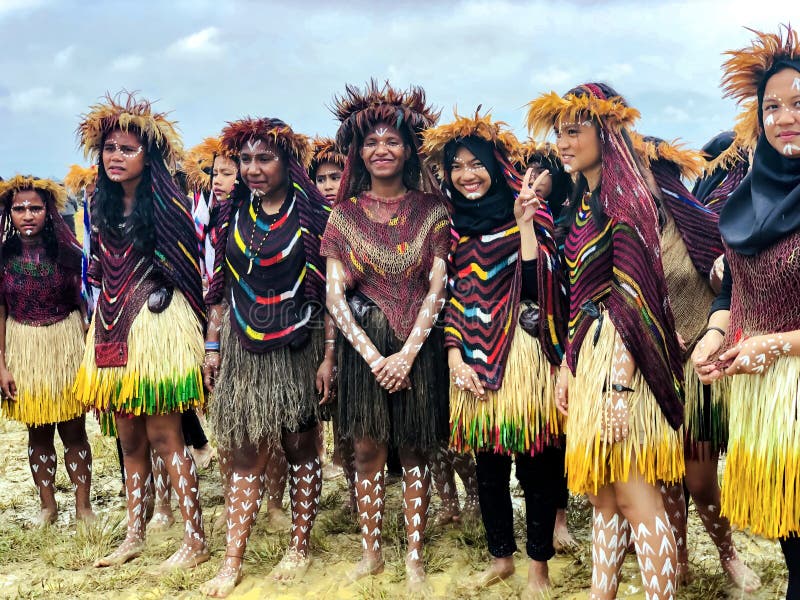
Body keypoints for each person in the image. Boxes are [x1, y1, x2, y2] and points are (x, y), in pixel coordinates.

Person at [527, 83, 685, 599]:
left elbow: (634, 296)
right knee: (602, 495)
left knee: (637, 495)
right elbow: (577, 295)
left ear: (606, 132)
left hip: (625, 365)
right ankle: (602, 592)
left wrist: (618, 387)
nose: (564, 142)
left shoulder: (627, 198)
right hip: (591, 358)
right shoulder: (586, 198)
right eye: (559, 133)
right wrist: (569, 367)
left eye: (574, 131)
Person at [422, 111, 566, 597]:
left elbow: (539, 288)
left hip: (523, 358)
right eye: (457, 166)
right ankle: (500, 556)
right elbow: (455, 298)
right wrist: (454, 358)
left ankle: (538, 568)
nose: (466, 174)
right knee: (488, 469)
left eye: (476, 163)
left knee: (538, 466)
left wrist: (525, 227)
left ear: (495, 165)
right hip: (472, 362)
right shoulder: (454, 227)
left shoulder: (530, 212)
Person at [321, 80, 448, 592]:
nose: (381, 150)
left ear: (409, 148)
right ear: (358, 151)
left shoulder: (433, 211)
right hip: (364, 351)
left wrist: (408, 355)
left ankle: (414, 554)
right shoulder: (343, 216)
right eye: (371, 142)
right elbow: (334, 296)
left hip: (420, 351)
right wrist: (377, 359)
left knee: (417, 448)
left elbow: (438, 286)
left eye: (391, 141)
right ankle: (372, 552)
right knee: (368, 451)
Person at [200, 117, 334, 596]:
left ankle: (299, 545)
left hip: (299, 341)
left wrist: (328, 356)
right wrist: (212, 346)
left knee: (300, 444)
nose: (253, 169)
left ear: (287, 163)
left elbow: (327, 291)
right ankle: (232, 558)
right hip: (241, 342)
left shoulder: (312, 216)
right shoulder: (231, 214)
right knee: (244, 449)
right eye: (246, 160)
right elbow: (220, 286)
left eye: (265, 159)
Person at [75, 92, 207, 571]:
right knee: (128, 439)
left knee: (165, 434)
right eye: (110, 148)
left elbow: (187, 270)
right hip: (109, 328)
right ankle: (135, 533)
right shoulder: (97, 202)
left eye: (127, 149)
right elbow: (97, 269)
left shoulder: (167, 201)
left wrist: (188, 329)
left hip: (155, 327)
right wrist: (94, 320)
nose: (116, 156)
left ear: (147, 155)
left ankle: (195, 538)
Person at [693, 25, 800, 598]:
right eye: (773, 106)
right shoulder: (751, 200)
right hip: (767, 400)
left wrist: (777, 344)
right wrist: (716, 332)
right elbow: (734, 285)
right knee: (792, 533)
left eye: (799, 103)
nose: (785, 117)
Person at [632, 134, 760, 591]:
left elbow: (727, 284)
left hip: (698, 366)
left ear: (662, 173)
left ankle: (728, 554)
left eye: (642, 168)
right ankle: (679, 557)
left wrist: (714, 323)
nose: (633, 178)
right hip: (652, 368)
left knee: (701, 479)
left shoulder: (702, 224)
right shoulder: (627, 228)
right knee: (665, 475)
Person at [0, 175, 94, 525]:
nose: (27, 215)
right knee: (37, 430)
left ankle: (84, 507)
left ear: (48, 211)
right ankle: (48, 506)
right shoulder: (3, 257)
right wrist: (2, 363)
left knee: (74, 431)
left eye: (35, 208)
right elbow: (1, 309)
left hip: (65, 343)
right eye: (19, 208)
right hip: (23, 345)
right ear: (9, 213)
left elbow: (85, 306)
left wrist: (89, 353)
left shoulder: (70, 255)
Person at [518, 141, 576, 551]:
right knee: (537, 438)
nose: (534, 180)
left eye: (542, 173)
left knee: (560, 439)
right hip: (528, 338)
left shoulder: (570, 218)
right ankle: (543, 514)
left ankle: (561, 516)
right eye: (528, 173)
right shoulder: (520, 216)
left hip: (567, 333)